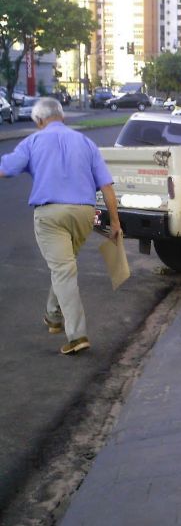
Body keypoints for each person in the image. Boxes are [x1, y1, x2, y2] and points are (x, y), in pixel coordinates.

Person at [0, 97, 121, 355]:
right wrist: (116, 223)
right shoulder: (86, 143)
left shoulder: (33, 141)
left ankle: (77, 335)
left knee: (63, 270)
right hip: (84, 213)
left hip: (51, 215)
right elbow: (107, 186)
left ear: (38, 121)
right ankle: (53, 316)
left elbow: (6, 169)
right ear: (63, 117)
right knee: (65, 266)